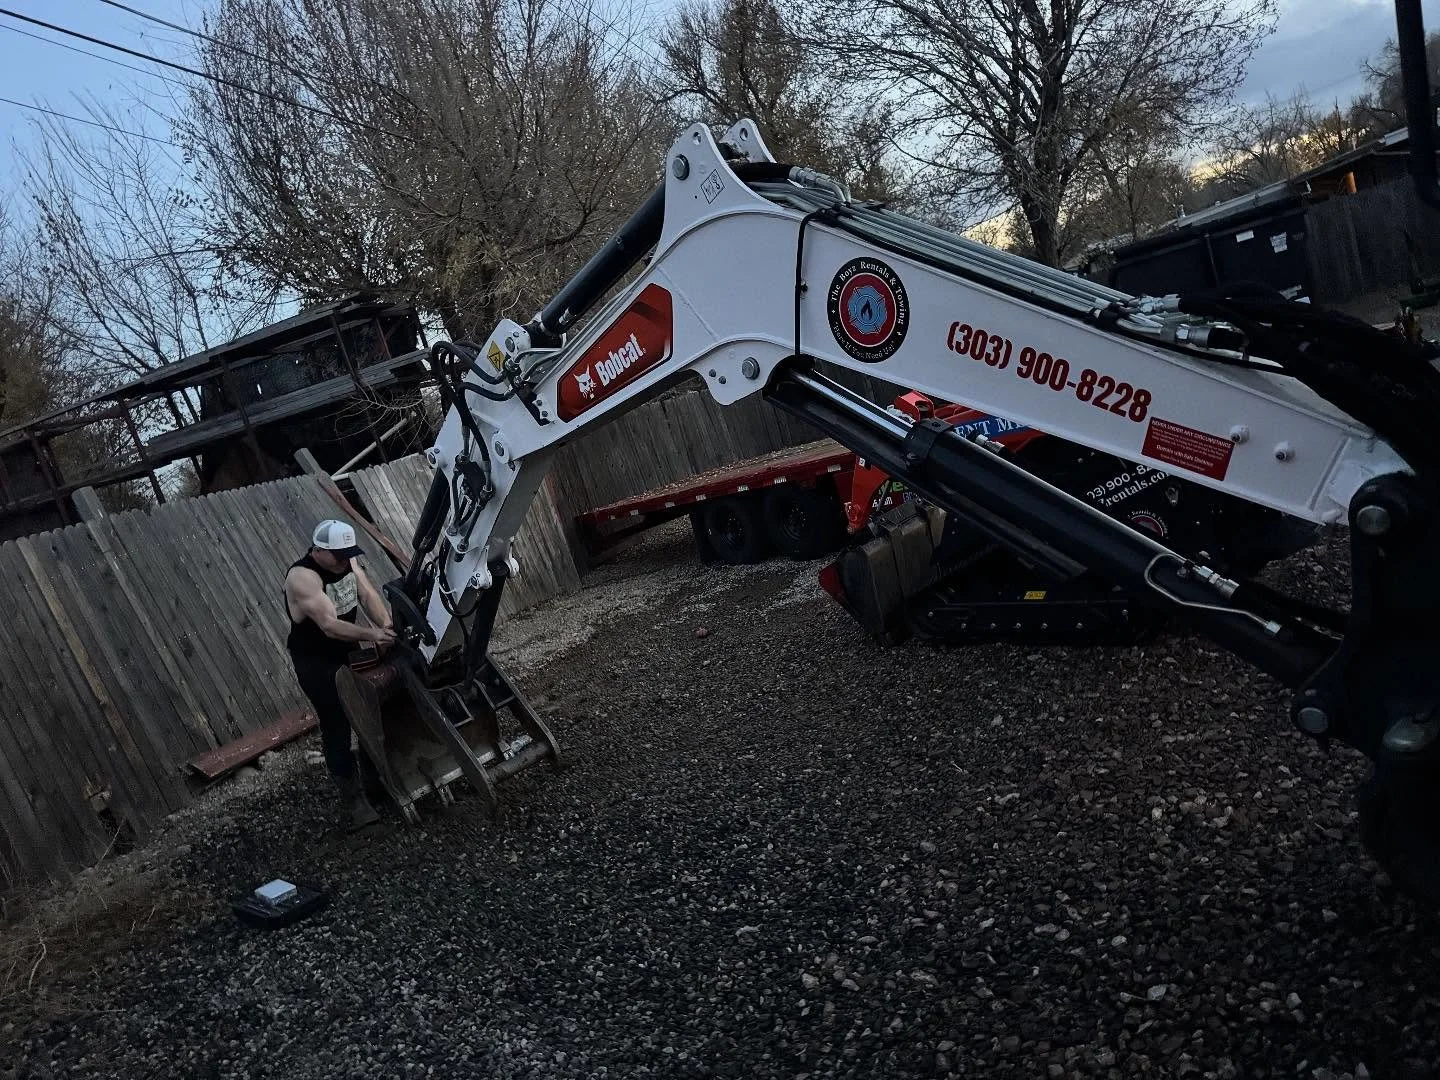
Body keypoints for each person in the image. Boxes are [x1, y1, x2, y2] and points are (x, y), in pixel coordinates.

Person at [283, 518, 397, 830]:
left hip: (348, 650)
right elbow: (330, 625)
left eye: (349, 555)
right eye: (338, 556)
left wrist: (385, 626)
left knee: (370, 712)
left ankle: (377, 784)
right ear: (319, 550)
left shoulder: (346, 561)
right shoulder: (302, 578)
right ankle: (355, 803)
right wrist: (373, 635)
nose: (345, 562)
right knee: (337, 725)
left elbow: (366, 594)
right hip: (315, 661)